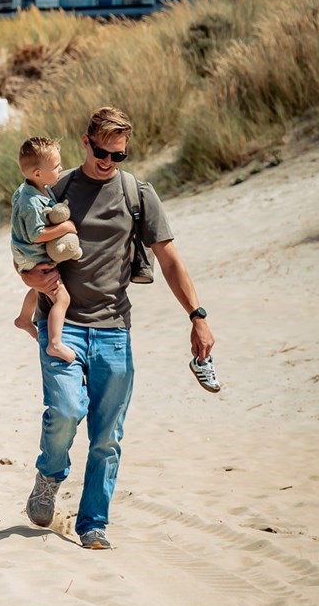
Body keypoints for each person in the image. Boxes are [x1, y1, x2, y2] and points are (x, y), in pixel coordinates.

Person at [19, 106, 219, 551]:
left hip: (114, 330)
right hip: (62, 322)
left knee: (107, 437)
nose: (109, 162)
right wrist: (28, 278)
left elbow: (169, 258)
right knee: (68, 410)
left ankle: (93, 523)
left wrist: (197, 315)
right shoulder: (58, 187)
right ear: (86, 142)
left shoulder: (136, 193)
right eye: (103, 152)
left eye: (119, 155)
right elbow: (25, 247)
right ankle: (49, 475)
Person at [11, 136, 82, 363]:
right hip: (31, 257)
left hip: (24, 255)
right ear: (38, 173)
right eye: (56, 166)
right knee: (61, 297)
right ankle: (55, 344)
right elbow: (36, 234)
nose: (60, 169)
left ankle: (23, 319)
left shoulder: (33, 188)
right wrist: (65, 228)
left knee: (38, 289)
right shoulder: (31, 203)